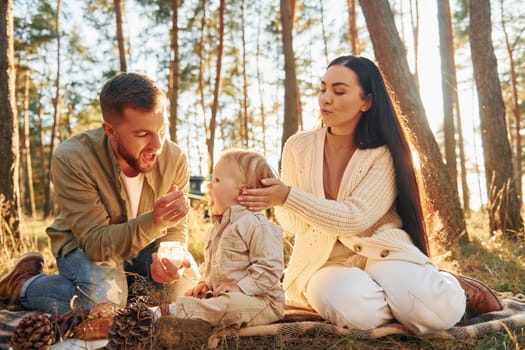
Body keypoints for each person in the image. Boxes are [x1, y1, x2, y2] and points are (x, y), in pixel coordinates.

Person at [237, 55, 502, 335]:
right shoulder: (297, 147)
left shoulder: (383, 153)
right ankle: (406, 298)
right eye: (322, 88)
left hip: (383, 250)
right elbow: (295, 225)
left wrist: (288, 196)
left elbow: (356, 218)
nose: (325, 99)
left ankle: (448, 287)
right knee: (358, 315)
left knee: (437, 314)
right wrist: (277, 199)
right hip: (323, 263)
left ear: (367, 101)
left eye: (339, 91)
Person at [0, 72, 197, 314]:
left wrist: (168, 258)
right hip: (83, 244)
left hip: (143, 243)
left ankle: (129, 288)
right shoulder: (73, 157)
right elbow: (95, 244)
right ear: (110, 131)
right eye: (142, 134)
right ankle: (22, 284)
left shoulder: (174, 158)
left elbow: (176, 227)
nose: (157, 145)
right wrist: (155, 222)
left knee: (187, 290)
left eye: (162, 130)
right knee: (104, 305)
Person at [153, 149, 284, 330]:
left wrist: (240, 287)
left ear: (242, 191)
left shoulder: (257, 225)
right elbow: (212, 265)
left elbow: (270, 268)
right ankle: (183, 315)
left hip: (261, 301)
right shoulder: (216, 229)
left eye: (216, 180)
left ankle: (167, 313)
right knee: (210, 301)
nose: (209, 186)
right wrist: (204, 283)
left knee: (230, 306)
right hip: (224, 296)